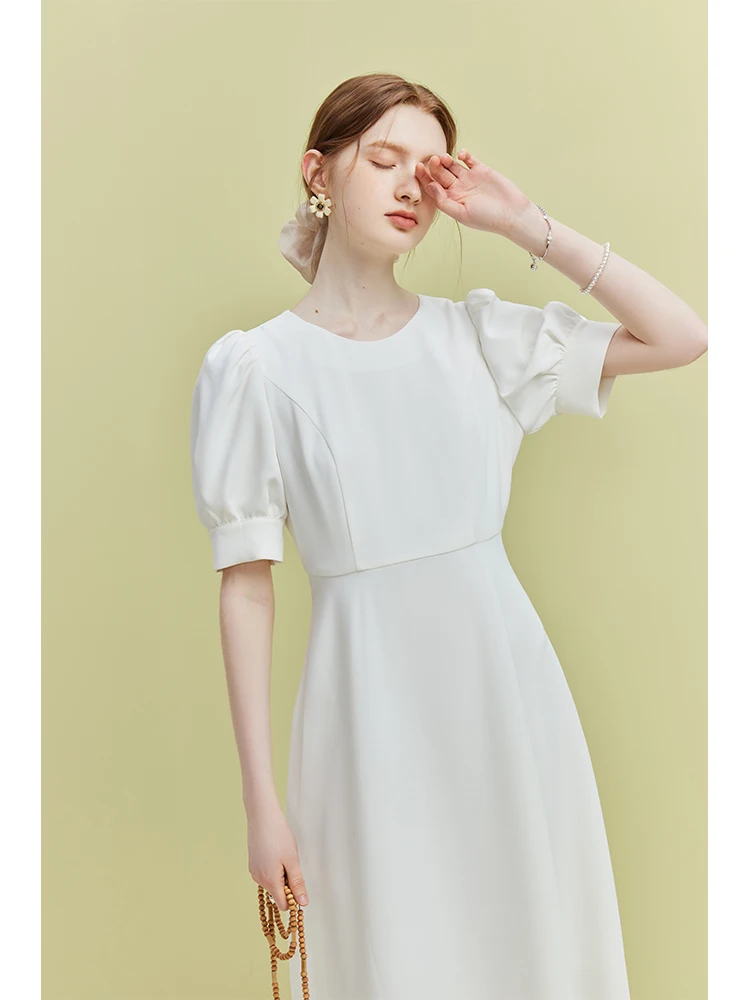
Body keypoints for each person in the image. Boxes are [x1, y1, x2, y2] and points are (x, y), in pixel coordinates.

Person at [189, 73, 707, 1000]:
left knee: (531, 952)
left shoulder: (478, 339)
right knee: (393, 958)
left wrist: (526, 226)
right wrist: (260, 802)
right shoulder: (257, 368)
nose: (407, 188)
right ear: (318, 171)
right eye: (383, 160)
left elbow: (680, 336)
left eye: (427, 171)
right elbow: (247, 585)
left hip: (505, 701)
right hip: (363, 714)